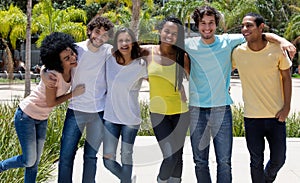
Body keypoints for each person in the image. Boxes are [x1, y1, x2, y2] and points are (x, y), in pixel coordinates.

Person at [184, 5, 296, 183]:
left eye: (211, 23)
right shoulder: (189, 44)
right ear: (197, 25)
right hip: (197, 110)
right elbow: (166, 46)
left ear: (216, 24)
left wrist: (281, 40)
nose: (207, 27)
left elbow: (258, 34)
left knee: (224, 162)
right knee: (200, 161)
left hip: (222, 109)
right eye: (203, 23)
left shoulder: (228, 42)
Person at [0, 32, 85, 183]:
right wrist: (73, 94)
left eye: (72, 53)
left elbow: (44, 65)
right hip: (26, 116)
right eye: (67, 58)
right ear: (58, 62)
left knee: (34, 164)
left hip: (42, 118)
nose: (73, 58)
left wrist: (42, 71)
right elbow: (51, 102)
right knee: (29, 160)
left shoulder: (71, 69)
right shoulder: (53, 75)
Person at [42, 15, 114, 183]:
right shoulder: (76, 49)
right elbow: (51, 61)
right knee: (66, 156)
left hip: (99, 112)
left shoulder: (108, 51)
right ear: (89, 31)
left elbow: (131, 51)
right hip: (76, 111)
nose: (100, 37)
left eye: (105, 34)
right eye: (97, 32)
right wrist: (43, 73)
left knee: (91, 156)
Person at [232, 12, 292, 183]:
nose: (244, 29)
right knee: (255, 161)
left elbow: (287, 78)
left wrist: (286, 108)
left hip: (276, 117)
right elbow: (223, 70)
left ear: (261, 27)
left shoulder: (277, 50)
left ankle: (267, 179)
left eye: (249, 25)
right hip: (252, 117)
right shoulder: (238, 52)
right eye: (243, 26)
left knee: (279, 159)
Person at [142, 16, 190, 183]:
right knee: (169, 156)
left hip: (181, 112)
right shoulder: (147, 51)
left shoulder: (181, 56)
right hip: (158, 113)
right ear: (160, 31)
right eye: (167, 31)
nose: (169, 35)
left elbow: (195, 81)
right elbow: (122, 51)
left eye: (174, 33)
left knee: (178, 155)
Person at [102, 27, 147, 183]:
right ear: (116, 43)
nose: (124, 43)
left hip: (130, 119)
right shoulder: (109, 59)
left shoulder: (141, 64)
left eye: (128, 40)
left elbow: (157, 78)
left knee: (126, 155)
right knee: (107, 160)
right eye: (120, 40)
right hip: (110, 118)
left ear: (133, 42)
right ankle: (127, 180)